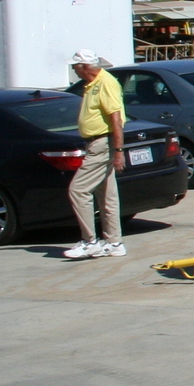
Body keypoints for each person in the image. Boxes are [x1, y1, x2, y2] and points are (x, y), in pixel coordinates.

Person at [65, 50, 126, 259]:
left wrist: (119, 151)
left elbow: (116, 120)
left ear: (84, 66)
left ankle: (89, 240)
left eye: (75, 66)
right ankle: (114, 242)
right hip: (96, 143)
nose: (74, 70)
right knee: (107, 195)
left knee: (78, 190)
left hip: (103, 143)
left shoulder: (105, 83)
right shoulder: (92, 84)